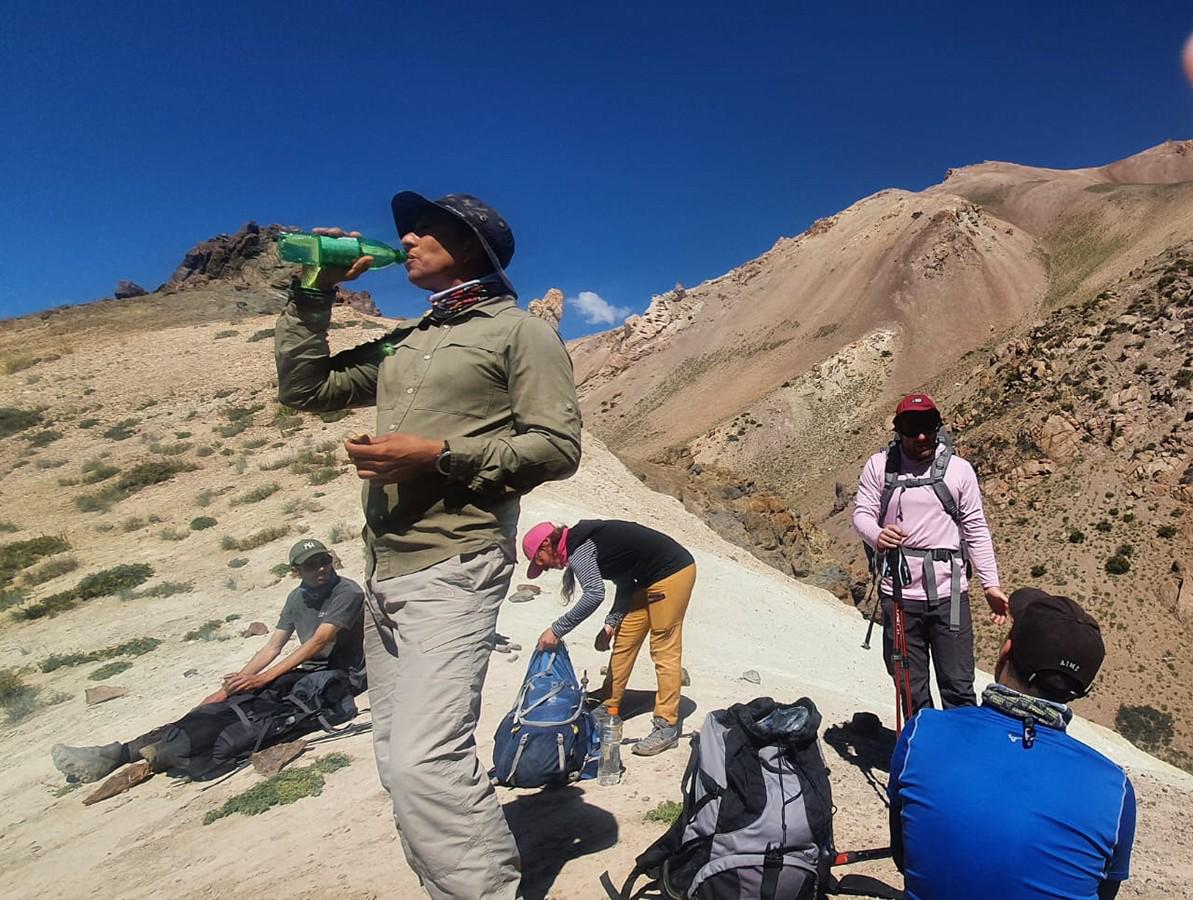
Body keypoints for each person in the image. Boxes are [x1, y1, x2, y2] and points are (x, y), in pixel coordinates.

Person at [275, 192, 581, 900]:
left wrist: (437, 455)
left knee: (423, 762)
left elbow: (557, 448)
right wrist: (313, 291)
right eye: (406, 231)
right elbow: (306, 388)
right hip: (384, 569)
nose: (406, 238)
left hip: (456, 563)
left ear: (470, 246)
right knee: (395, 758)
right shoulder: (405, 341)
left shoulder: (519, 333)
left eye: (426, 230)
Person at [888, 588, 1135, 900]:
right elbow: (1103, 894)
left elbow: (903, 857)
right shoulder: (1115, 791)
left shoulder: (921, 733)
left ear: (1005, 652)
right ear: (1081, 690)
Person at [51, 539, 365, 783]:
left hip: (339, 674)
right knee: (223, 703)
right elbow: (272, 647)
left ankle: (164, 751)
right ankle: (118, 753)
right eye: (311, 566)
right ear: (296, 572)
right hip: (303, 671)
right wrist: (233, 686)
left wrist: (262, 680)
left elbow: (320, 641)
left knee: (257, 706)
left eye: (323, 561)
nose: (321, 569)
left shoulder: (345, 592)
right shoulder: (296, 599)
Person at [853, 393, 1009, 712]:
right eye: (912, 427)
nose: (921, 436)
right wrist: (877, 535)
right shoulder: (880, 466)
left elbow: (975, 528)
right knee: (910, 686)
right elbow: (862, 514)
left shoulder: (959, 471)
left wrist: (990, 585)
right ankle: (923, 752)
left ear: (938, 426)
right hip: (898, 594)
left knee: (958, 685)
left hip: (949, 595)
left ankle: (958, 757)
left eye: (928, 426)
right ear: (899, 430)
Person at [522, 519, 696, 756]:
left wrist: (556, 630)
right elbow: (624, 581)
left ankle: (667, 725)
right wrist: (611, 623)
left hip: (672, 571)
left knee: (663, 647)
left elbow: (594, 594)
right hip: (646, 581)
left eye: (541, 562)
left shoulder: (580, 548)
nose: (546, 569)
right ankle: (609, 705)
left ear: (546, 544)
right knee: (624, 640)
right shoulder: (585, 543)